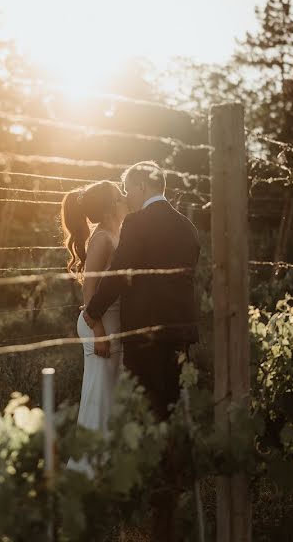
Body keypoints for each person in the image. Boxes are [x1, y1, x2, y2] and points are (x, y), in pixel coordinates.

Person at [82, 161, 200, 542]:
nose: (127, 195)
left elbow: (118, 274)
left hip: (145, 334)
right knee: (169, 404)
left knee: (146, 407)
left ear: (142, 185)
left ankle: (152, 494)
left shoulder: (137, 224)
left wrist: (93, 310)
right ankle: (172, 486)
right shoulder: (187, 226)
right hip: (179, 333)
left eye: (128, 187)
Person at [60, 180, 129, 477]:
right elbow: (89, 294)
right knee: (98, 396)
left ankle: (106, 468)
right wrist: (100, 333)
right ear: (112, 204)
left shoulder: (116, 233)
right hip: (99, 325)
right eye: (120, 193)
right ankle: (86, 472)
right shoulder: (102, 238)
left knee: (109, 395)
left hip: (112, 324)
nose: (126, 196)